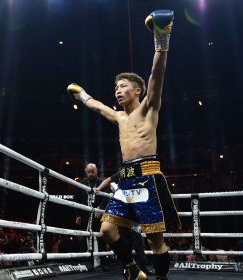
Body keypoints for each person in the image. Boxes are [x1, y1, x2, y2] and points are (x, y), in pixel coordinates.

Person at [67, 10, 181, 280]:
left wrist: (161, 37)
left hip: (148, 178)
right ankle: (131, 269)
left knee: (155, 242)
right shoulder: (119, 117)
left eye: (123, 85)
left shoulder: (149, 108)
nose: (117, 90)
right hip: (127, 179)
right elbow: (97, 106)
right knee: (107, 230)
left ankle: (161, 278)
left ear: (137, 90)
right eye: (115, 87)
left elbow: (156, 74)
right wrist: (82, 94)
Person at [94, 172, 152, 275]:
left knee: (138, 242)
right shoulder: (124, 172)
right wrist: (99, 188)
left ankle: (142, 268)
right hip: (123, 216)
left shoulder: (139, 176)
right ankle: (128, 268)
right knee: (126, 242)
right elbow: (109, 180)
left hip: (134, 216)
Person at [74, 163, 111, 271]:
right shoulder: (82, 183)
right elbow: (77, 200)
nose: (90, 174)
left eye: (92, 171)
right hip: (86, 215)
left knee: (101, 238)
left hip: (100, 214)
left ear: (97, 171)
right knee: (87, 238)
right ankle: (88, 264)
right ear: (86, 171)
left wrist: (100, 208)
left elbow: (107, 197)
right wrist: (78, 215)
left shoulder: (101, 182)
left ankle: (105, 262)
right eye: (88, 172)